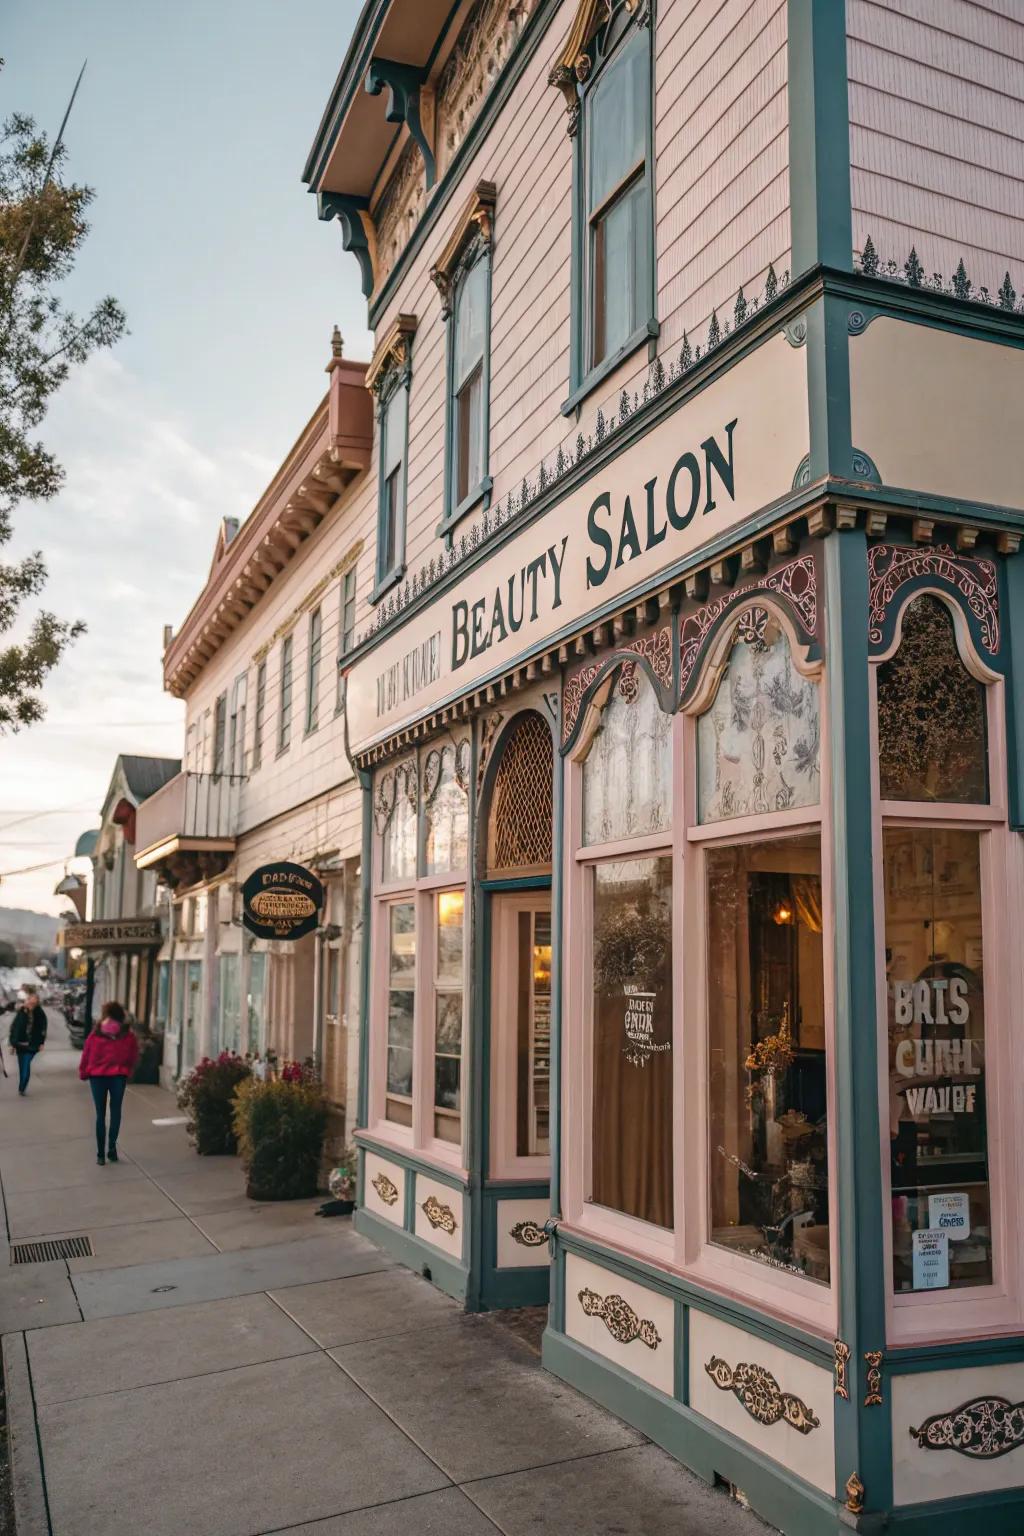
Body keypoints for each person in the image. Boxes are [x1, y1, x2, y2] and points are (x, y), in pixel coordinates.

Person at [79, 1002, 138, 1165]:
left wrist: (83, 1071)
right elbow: (133, 1055)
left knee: (100, 1114)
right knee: (116, 1111)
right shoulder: (127, 1034)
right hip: (118, 1076)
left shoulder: (96, 1033)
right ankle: (111, 1148)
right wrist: (128, 1070)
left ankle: (100, 1155)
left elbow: (87, 1053)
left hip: (97, 1077)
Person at [9, 989, 47, 1095]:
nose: (31, 1004)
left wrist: (42, 1042)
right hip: (20, 1044)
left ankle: (22, 1087)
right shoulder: (21, 1012)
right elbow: (14, 1028)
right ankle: (22, 1087)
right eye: (29, 1001)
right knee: (24, 1066)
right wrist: (13, 1044)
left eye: (33, 1002)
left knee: (25, 1064)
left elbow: (43, 1028)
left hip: (33, 1045)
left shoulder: (39, 1013)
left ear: (36, 1002)